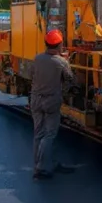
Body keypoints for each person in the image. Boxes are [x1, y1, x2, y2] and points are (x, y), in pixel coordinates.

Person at [30, 30, 75, 180]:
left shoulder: (37, 59)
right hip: (51, 102)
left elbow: (32, 75)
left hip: (36, 100)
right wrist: (66, 61)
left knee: (39, 133)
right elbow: (70, 79)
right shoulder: (61, 62)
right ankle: (42, 168)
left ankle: (40, 164)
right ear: (60, 45)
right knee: (49, 134)